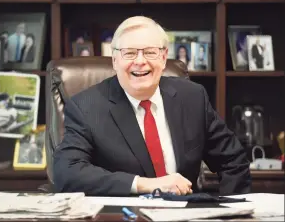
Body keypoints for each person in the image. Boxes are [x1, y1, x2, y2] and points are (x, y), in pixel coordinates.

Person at [53, 16, 251, 196]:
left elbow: (233, 161)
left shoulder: (192, 97)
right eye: (129, 53)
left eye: (150, 52)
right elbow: (67, 172)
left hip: (185, 215)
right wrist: (145, 184)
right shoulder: (86, 107)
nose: (140, 61)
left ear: (164, 58)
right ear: (115, 60)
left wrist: (227, 212)